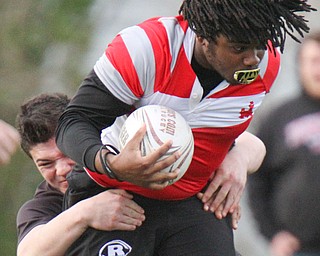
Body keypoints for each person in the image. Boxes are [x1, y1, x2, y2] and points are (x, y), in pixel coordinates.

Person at [56, 0, 316, 255]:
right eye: (239, 48)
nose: (252, 59)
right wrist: (112, 165)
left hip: (193, 200)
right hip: (114, 193)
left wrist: (238, 158)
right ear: (204, 37)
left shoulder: (266, 65)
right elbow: (73, 122)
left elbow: (222, 136)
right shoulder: (147, 48)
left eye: (259, 47)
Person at [16, 93, 146, 256]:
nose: (62, 170)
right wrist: (85, 213)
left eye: (67, 153)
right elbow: (29, 252)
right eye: (46, 164)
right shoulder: (43, 206)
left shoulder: (125, 170)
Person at [247, 31, 320, 256]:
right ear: (300, 65)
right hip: (297, 249)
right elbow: (257, 181)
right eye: (314, 61)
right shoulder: (277, 118)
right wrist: (273, 234)